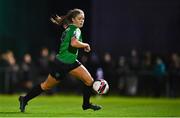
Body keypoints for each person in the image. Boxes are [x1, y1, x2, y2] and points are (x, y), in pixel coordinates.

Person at [19, 8, 101, 112]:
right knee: (46, 86)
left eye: (83, 19)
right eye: (79, 18)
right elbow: (73, 43)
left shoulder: (69, 28)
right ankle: (24, 99)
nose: (82, 21)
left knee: (89, 81)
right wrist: (86, 45)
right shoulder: (75, 29)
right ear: (73, 20)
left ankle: (86, 104)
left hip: (71, 62)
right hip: (61, 64)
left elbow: (71, 42)